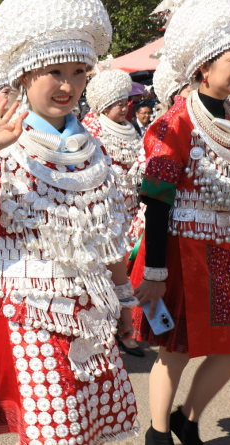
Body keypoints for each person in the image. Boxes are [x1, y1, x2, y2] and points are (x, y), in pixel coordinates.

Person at [0, 0, 140, 444]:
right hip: (33, 310)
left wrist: (126, 297)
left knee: (92, 427)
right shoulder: (3, 144)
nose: (67, 85)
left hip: (93, 307)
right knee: (58, 433)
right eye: (56, 71)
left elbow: (107, 233)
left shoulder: (94, 147)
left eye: (78, 73)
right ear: (25, 74)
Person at [129, 0, 230, 444]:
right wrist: (154, 270)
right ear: (204, 64)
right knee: (176, 350)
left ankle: (187, 420)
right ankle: (157, 433)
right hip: (178, 248)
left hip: (223, 248)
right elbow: (156, 199)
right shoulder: (175, 123)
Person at [85, 68, 145, 358]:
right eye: (118, 103)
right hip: (102, 212)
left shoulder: (132, 128)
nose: (125, 107)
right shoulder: (90, 128)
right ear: (103, 104)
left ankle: (126, 329)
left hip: (130, 210)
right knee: (106, 271)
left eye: (126, 102)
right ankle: (111, 329)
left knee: (127, 270)